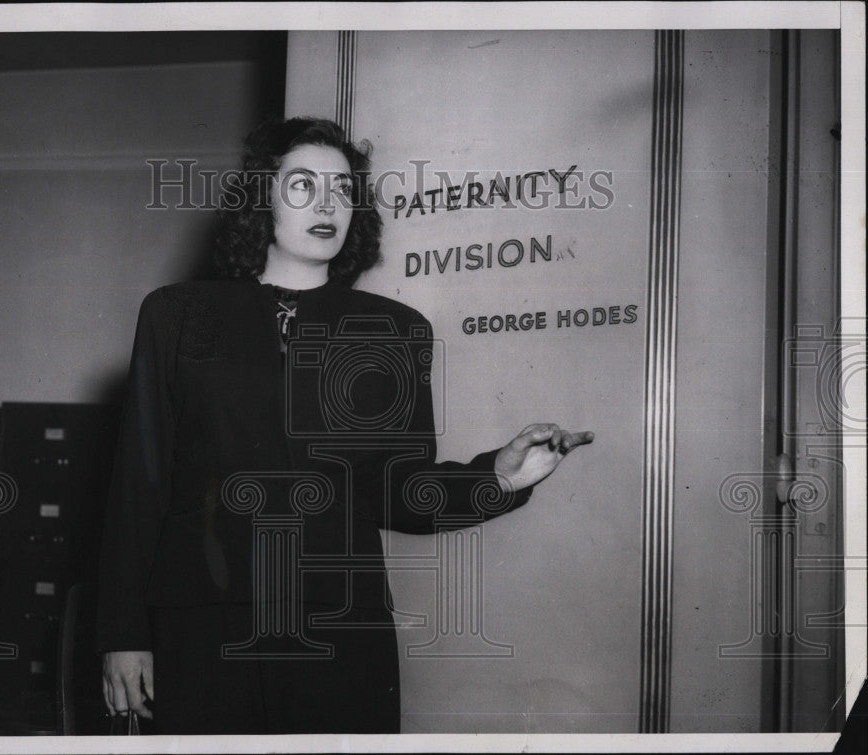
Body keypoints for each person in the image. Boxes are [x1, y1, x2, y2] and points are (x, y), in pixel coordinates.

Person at [97, 116, 593, 734]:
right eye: (303, 186)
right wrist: (123, 633)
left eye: (342, 189)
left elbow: (397, 489)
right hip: (201, 624)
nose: (328, 204)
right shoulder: (176, 316)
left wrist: (500, 476)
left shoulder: (396, 328)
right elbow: (137, 488)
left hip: (338, 627)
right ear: (262, 198)